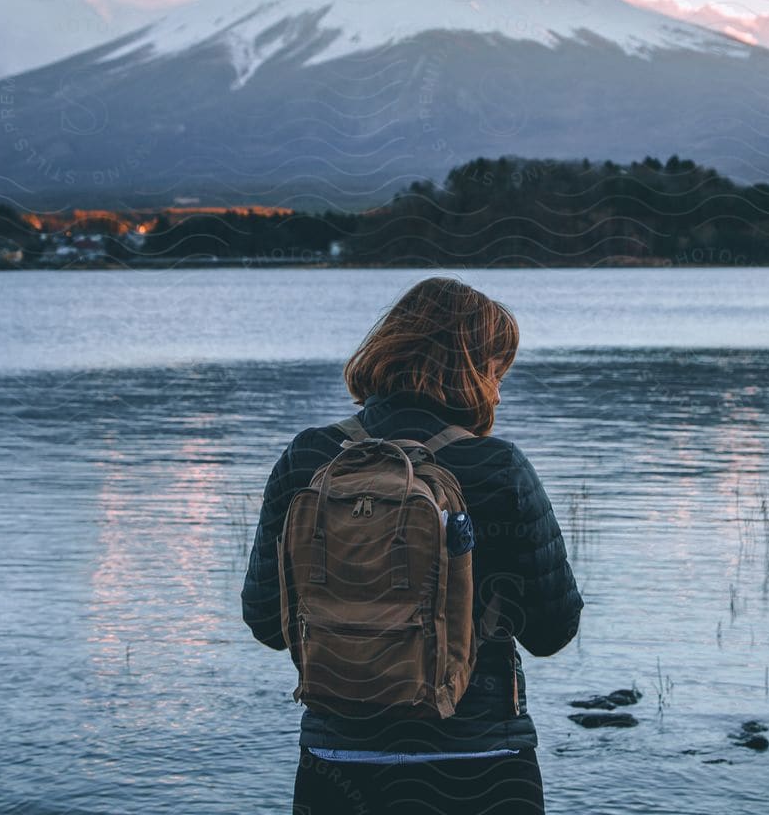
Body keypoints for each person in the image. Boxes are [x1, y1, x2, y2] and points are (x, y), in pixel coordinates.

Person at [242, 276, 584, 815]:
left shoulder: (308, 459)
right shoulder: (499, 468)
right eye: (497, 369)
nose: (499, 386)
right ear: (475, 371)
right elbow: (553, 631)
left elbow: (265, 622)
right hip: (480, 760)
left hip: (338, 761)